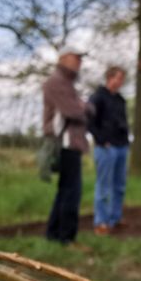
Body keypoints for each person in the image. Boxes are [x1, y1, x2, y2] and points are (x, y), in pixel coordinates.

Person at [42, 51, 90, 245]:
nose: (79, 62)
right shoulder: (57, 82)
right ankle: (67, 238)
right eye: (75, 59)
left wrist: (82, 107)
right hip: (65, 143)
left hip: (71, 143)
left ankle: (53, 233)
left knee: (65, 189)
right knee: (72, 190)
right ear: (63, 60)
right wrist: (83, 107)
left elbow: (81, 108)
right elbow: (73, 110)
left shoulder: (67, 83)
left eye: (80, 60)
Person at [88, 65, 130, 235]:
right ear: (110, 78)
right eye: (118, 78)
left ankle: (115, 218)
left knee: (119, 186)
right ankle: (101, 222)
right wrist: (101, 140)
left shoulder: (120, 100)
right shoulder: (97, 97)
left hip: (121, 146)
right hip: (105, 148)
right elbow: (89, 121)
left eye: (122, 79)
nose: (120, 82)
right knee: (103, 186)